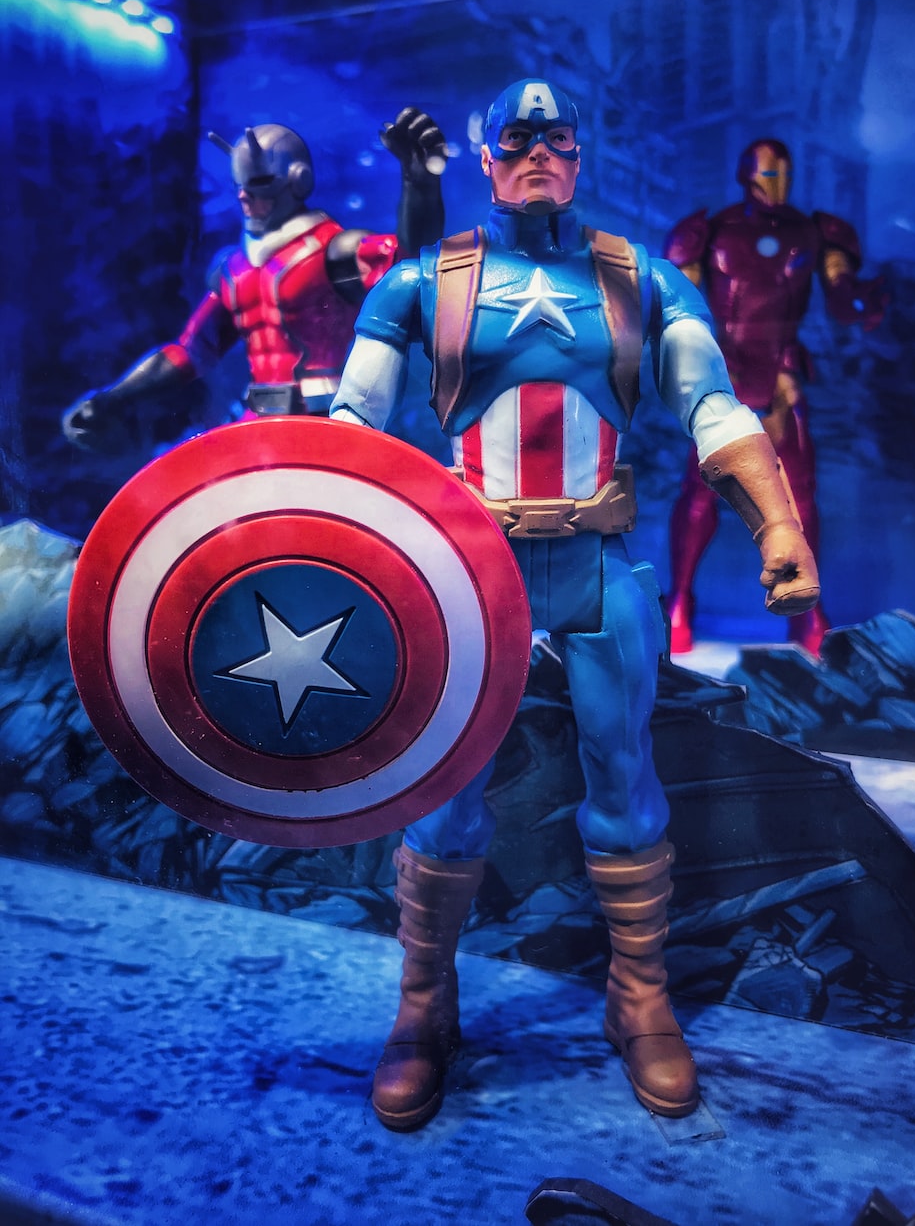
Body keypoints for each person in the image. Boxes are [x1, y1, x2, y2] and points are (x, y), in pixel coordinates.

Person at [330, 79, 820, 1131]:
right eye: (516, 138)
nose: (538, 153)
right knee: (446, 792)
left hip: (597, 562)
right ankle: (423, 1003)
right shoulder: (422, 282)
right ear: (486, 157)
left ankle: (638, 995)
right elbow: (353, 423)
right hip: (473, 572)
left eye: (556, 137)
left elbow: (712, 403)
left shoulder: (640, 277)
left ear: (579, 154)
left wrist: (776, 522)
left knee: (625, 779)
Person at [62, 108, 447, 449]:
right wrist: (111, 398)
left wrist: (419, 185)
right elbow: (188, 353)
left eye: (258, 183)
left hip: (326, 420)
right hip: (256, 423)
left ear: (297, 180)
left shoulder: (332, 250)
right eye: (240, 185)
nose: (245, 196)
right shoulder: (233, 269)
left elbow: (410, 264)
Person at [663, 137, 885, 655]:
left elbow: (842, 295)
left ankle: (805, 611)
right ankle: (680, 603)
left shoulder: (814, 232)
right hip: (723, 376)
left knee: (799, 495)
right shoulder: (708, 231)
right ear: (746, 175)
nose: (778, 185)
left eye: (785, 174)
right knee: (701, 493)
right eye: (768, 174)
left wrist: (861, 299)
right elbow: (680, 306)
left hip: (783, 375)